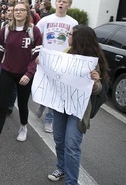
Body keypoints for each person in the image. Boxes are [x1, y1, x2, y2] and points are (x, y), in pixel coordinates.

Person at [47, 25, 109, 184]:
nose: (67, 36)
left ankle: (71, 182)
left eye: (70, 34)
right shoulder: (66, 53)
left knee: (72, 146)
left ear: (79, 39)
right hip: (61, 106)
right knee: (59, 140)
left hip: (79, 110)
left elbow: (99, 90)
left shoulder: (94, 61)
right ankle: (61, 168)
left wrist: (95, 83)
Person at [0, 1, 42, 150]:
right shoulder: (6, 29)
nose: (18, 12)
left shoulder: (34, 31)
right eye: (16, 10)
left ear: (27, 13)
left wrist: (29, 73)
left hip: (24, 75)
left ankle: (23, 126)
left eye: (22, 10)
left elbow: (37, 56)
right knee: (2, 105)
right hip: (7, 71)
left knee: (22, 104)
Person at [36, 0, 78, 133]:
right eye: (59, 1)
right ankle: (42, 103)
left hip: (63, 62)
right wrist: (36, 54)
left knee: (57, 92)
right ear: (55, 3)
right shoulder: (45, 20)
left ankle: (49, 120)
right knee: (46, 88)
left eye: (64, 2)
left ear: (68, 5)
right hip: (46, 60)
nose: (61, 4)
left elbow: (76, 43)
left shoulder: (73, 23)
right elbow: (36, 36)